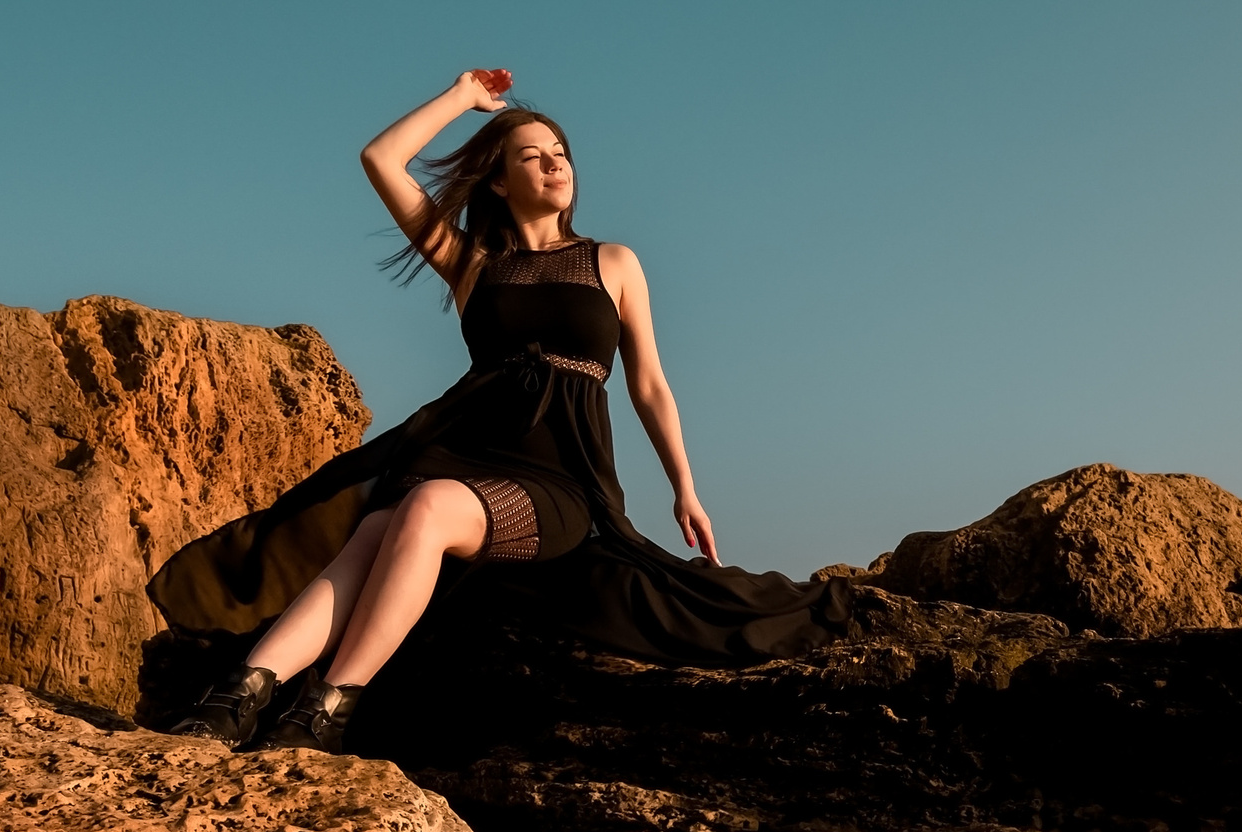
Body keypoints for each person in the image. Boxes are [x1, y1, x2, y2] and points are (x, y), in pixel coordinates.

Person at [148, 70, 853, 751]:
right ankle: (238, 696)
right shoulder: (472, 263)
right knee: (380, 528)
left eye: (561, 152)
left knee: (423, 510)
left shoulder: (614, 262)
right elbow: (381, 159)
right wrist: (462, 96)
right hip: (467, 452)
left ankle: (328, 706)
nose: (554, 164)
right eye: (531, 155)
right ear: (496, 179)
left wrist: (684, 488)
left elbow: (649, 386)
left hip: (561, 480)